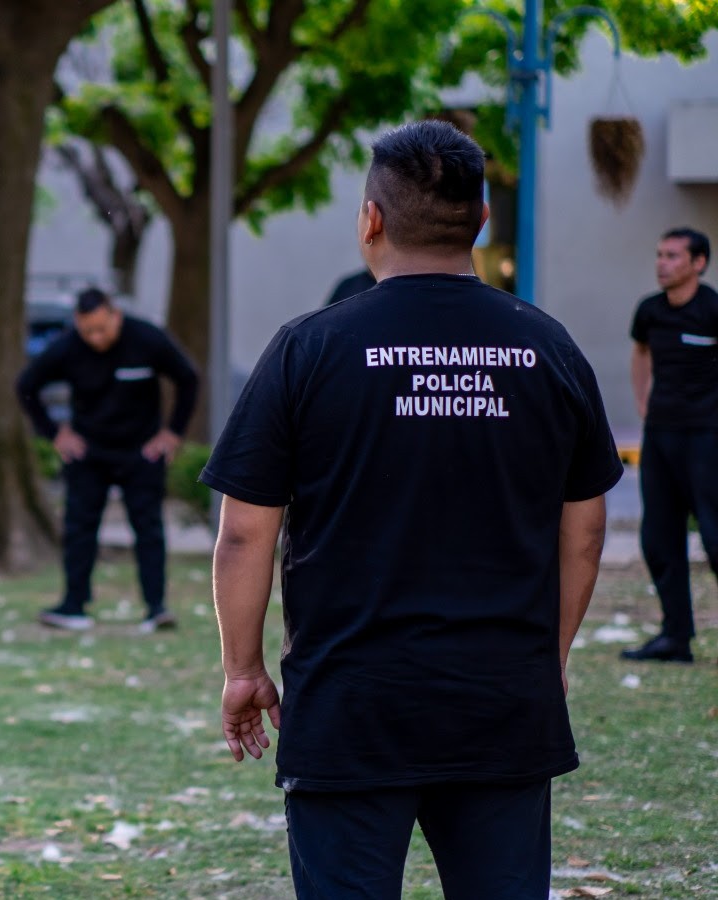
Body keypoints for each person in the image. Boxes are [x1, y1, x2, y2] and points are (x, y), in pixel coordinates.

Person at [202, 121, 622, 899]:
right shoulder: (547, 347)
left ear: (371, 219)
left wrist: (243, 670)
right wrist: (549, 655)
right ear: (483, 221)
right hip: (502, 703)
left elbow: (244, 533)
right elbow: (586, 529)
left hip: (350, 706)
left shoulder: (308, 348)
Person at [16, 288, 199, 633]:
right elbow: (27, 384)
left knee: (148, 529)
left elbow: (188, 378)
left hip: (141, 452)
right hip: (89, 452)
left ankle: (156, 608)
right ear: (77, 324)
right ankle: (73, 605)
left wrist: (172, 433)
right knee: (79, 528)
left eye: (101, 329)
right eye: (87, 331)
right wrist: (56, 434)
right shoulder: (69, 346)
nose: (95, 338)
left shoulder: (146, 338)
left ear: (115, 315)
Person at [621, 227, 717, 664]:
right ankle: (675, 637)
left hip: (707, 437)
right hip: (660, 437)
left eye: (674, 256)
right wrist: (643, 402)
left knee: (714, 539)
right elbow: (641, 353)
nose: (663, 262)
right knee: (659, 539)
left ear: (698, 263)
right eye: (660, 254)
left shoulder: (712, 309)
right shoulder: (650, 311)